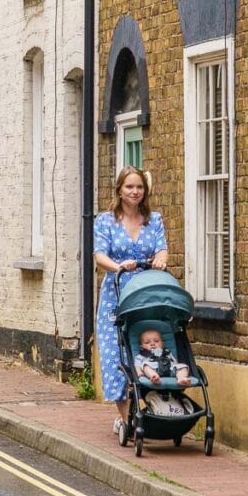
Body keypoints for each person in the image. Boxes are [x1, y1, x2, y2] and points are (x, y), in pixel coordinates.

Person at [93, 166, 168, 434]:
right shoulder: (106, 221)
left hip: (146, 295)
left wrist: (161, 257)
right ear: (119, 191)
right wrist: (118, 266)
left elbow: (162, 249)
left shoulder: (154, 219)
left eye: (139, 187)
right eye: (129, 187)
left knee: (146, 348)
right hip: (116, 295)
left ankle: (152, 409)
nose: (135, 192)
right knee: (115, 355)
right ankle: (126, 419)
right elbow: (99, 255)